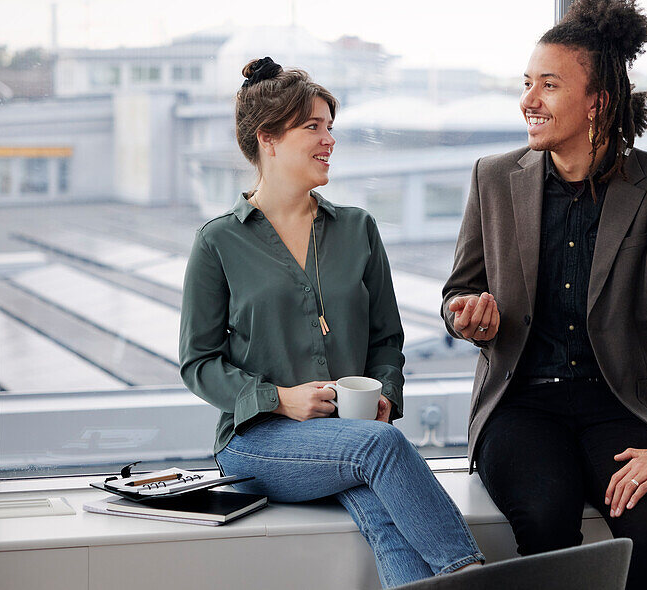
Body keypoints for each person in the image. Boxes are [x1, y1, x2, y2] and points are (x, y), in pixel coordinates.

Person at [441, 0, 647, 589]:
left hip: (617, 404)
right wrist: (467, 315)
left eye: (549, 85)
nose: (527, 101)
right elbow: (459, 291)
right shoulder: (493, 177)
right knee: (546, 517)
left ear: (597, 103)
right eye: (526, 83)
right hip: (521, 403)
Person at [180, 58, 484, 588]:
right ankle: (473, 576)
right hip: (257, 443)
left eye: (330, 127)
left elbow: (388, 338)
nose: (329, 140)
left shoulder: (358, 230)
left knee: (386, 519)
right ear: (267, 139)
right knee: (380, 448)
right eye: (312, 127)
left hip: (349, 437)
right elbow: (198, 364)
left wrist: (385, 392)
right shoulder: (219, 241)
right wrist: (281, 398)